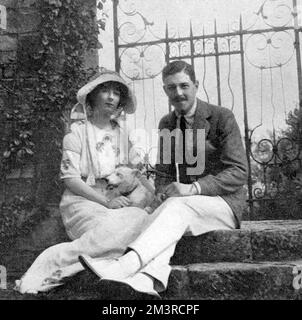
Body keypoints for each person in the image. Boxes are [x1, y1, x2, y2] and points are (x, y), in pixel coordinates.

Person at [78, 60, 248, 297]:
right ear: (165, 90)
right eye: (171, 88)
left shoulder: (221, 118)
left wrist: (195, 187)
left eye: (183, 86)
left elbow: (238, 172)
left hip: (224, 204)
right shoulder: (167, 124)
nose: (178, 93)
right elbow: (165, 173)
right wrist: (160, 194)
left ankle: (124, 266)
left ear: (196, 85)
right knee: (164, 214)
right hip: (189, 207)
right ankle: (148, 279)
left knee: (177, 207)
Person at [14, 69, 160, 298]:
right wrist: (105, 202)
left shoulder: (124, 134)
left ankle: (73, 267)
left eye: (116, 92)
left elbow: (137, 173)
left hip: (117, 201)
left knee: (143, 220)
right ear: (92, 96)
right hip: (82, 201)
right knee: (112, 233)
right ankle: (53, 260)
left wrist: (156, 195)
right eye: (105, 90)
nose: (112, 97)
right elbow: (70, 179)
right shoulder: (77, 134)